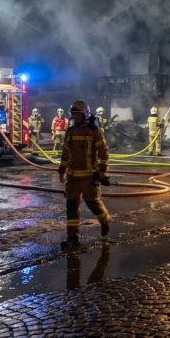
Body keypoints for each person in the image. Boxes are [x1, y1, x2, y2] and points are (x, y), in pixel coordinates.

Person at [58, 100, 112, 249]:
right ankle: (72, 238)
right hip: (73, 178)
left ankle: (104, 220)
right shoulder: (70, 132)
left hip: (89, 177)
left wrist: (102, 172)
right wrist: (62, 171)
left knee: (93, 204)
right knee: (71, 208)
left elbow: (104, 153)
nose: (74, 117)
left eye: (77, 115)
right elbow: (65, 154)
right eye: (73, 114)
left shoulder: (94, 131)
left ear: (84, 115)